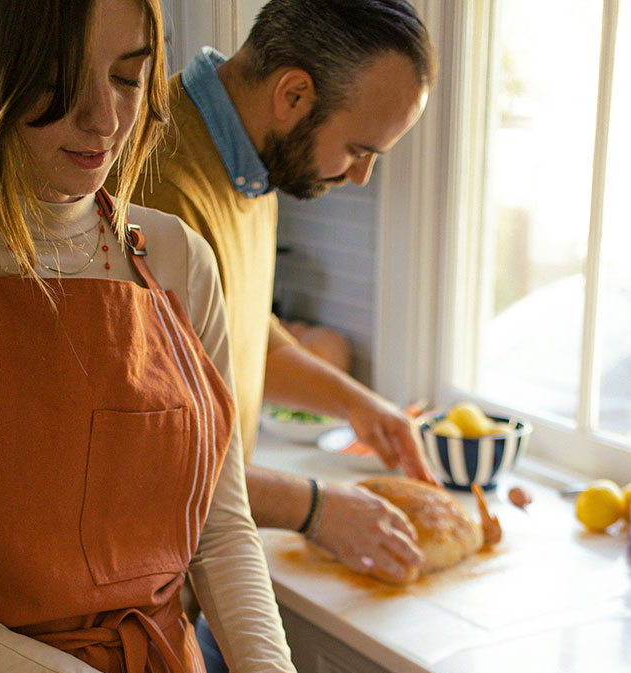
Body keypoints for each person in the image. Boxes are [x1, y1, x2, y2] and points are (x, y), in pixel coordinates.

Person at [0, 0, 385, 673]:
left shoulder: (175, 260)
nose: (105, 118)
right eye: (62, 82)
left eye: (129, 76)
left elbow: (218, 525)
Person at [123, 0, 440, 590]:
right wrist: (318, 508)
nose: (358, 175)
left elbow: (244, 338)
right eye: (360, 149)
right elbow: (151, 455)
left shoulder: (252, 164)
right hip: (140, 583)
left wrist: (356, 404)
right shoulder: (160, 188)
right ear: (292, 95)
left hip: (198, 557)